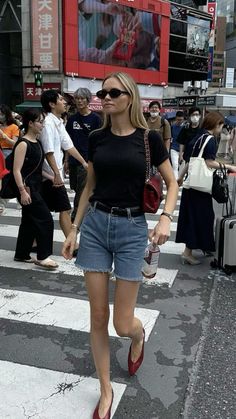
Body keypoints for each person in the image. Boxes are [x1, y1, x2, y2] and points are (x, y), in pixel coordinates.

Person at [62, 71, 178, 419]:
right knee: (98, 316)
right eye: (103, 92)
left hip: (130, 230)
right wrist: (74, 229)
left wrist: (165, 218)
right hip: (96, 225)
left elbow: (172, 183)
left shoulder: (149, 140)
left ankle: (138, 335)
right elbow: (89, 186)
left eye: (113, 92)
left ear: (129, 97)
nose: (106, 97)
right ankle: (105, 388)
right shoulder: (97, 138)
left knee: (121, 324)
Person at [176, 111, 236, 265]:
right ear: (216, 124)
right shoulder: (210, 140)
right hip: (200, 188)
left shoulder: (197, 137)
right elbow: (209, 162)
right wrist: (228, 166)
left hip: (192, 185)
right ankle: (188, 252)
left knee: (193, 217)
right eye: (221, 125)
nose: (221, 128)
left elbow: (189, 161)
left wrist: (181, 177)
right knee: (202, 217)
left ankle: (201, 247)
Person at [40, 89, 88, 242]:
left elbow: (68, 145)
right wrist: (56, 174)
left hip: (53, 173)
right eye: (60, 99)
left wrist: (83, 162)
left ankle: (32, 243)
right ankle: (72, 244)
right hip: (50, 175)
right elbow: (48, 151)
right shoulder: (48, 123)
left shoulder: (58, 122)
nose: (64, 102)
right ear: (52, 104)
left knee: (43, 210)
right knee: (65, 208)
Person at [13, 109, 58, 269]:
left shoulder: (37, 143)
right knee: (45, 219)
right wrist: (22, 191)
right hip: (27, 188)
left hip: (36, 187)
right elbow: (16, 170)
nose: (42, 125)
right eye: (40, 121)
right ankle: (43, 256)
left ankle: (22, 253)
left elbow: (37, 169)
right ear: (30, 123)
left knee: (29, 221)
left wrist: (53, 177)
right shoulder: (23, 143)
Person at [65, 88, 101, 221]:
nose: (79, 101)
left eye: (82, 98)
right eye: (77, 98)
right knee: (75, 187)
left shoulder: (96, 119)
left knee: (82, 190)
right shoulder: (72, 119)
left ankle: (76, 218)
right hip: (73, 160)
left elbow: (99, 141)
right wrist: (66, 161)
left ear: (88, 100)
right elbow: (67, 141)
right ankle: (88, 211)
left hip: (87, 161)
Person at [170, 110, 185, 179]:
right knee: (175, 166)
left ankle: (180, 180)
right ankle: (175, 182)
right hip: (174, 148)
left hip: (184, 150)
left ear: (183, 119)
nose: (179, 121)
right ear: (176, 118)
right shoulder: (172, 126)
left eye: (181, 120)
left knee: (182, 167)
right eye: (178, 119)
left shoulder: (186, 127)